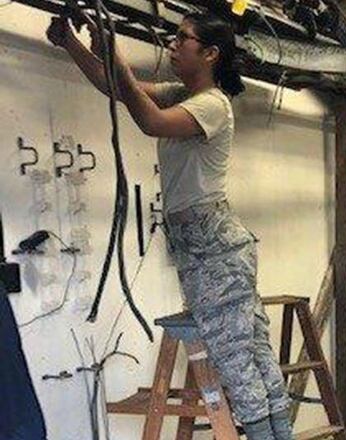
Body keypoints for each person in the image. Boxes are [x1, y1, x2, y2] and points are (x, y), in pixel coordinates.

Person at [46, 11, 293, 440]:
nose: (173, 45)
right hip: (207, 243)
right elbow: (117, 88)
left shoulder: (212, 104)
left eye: (183, 38)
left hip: (212, 246)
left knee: (236, 359)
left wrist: (116, 52)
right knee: (250, 351)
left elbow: (150, 122)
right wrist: (72, 43)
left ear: (211, 53)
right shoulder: (183, 93)